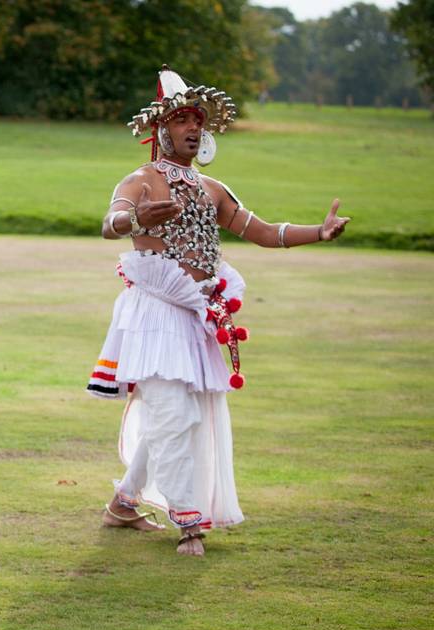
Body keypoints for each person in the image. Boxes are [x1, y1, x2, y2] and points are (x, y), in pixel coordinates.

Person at [88, 65, 349, 556]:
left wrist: (319, 231)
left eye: (199, 121)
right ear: (160, 129)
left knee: (179, 412)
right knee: (174, 413)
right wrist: (136, 218)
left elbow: (265, 232)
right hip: (154, 313)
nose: (193, 128)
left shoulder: (213, 190)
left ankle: (124, 503)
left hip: (196, 315)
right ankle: (189, 522)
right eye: (183, 119)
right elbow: (110, 223)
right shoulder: (140, 180)